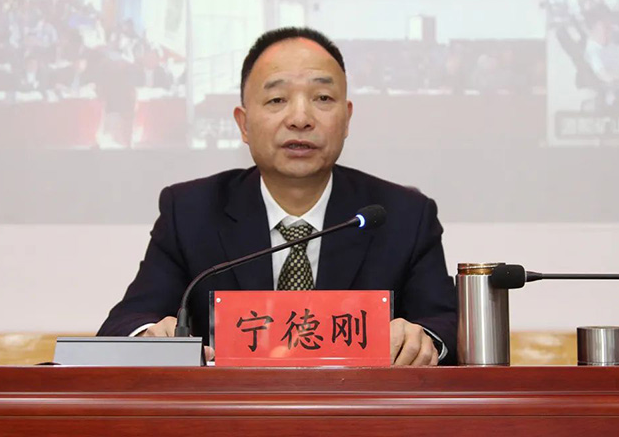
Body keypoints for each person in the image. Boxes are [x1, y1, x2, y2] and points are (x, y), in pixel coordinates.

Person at [98, 27, 457, 366]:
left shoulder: (403, 215)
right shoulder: (191, 212)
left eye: (322, 98)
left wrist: (422, 339)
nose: (300, 118)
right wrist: (151, 336)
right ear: (243, 124)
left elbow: (448, 325)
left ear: (347, 119)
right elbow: (126, 322)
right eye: (276, 99)